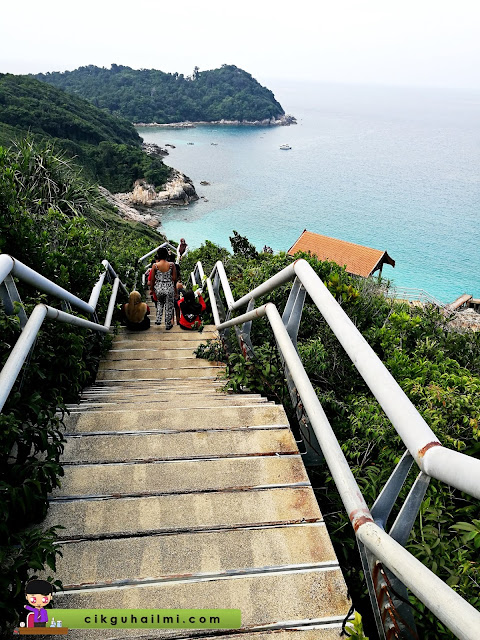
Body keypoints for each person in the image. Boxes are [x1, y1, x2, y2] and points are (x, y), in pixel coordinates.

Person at [150, 247, 176, 329]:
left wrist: (151, 289)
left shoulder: (155, 266)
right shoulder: (171, 265)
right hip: (169, 287)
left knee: (160, 303)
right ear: (166, 255)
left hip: (159, 287)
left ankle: (158, 319)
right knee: (169, 306)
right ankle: (168, 324)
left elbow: (152, 279)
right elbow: (174, 278)